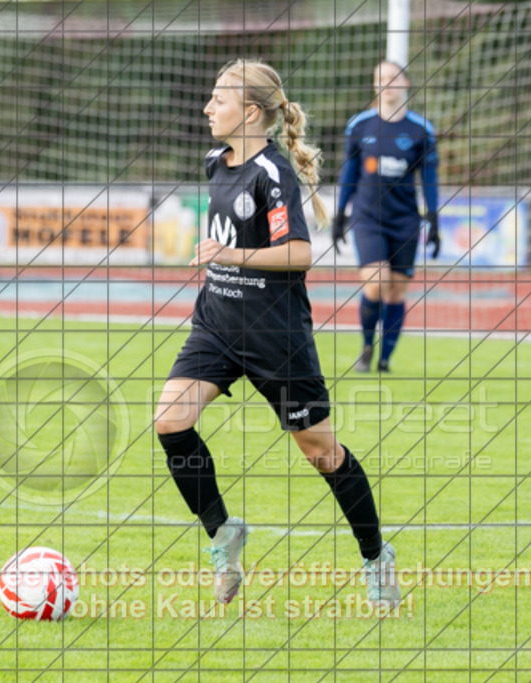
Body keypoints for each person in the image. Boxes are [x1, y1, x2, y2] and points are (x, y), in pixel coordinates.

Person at [153, 58, 400, 607]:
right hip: (216, 325)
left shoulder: (273, 174)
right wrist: (223, 264)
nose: (207, 107)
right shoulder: (217, 162)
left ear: (251, 111)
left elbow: (300, 254)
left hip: (275, 337)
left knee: (321, 452)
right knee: (171, 419)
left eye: (218, 98)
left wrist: (230, 254)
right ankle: (223, 535)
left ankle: (376, 556)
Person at [332, 61, 441, 373]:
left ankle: (384, 359)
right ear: (374, 85)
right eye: (381, 78)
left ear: (405, 82)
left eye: (393, 78)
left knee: (396, 291)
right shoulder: (360, 125)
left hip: (405, 219)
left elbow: (429, 179)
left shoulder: (422, 129)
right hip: (368, 218)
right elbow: (349, 173)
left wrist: (433, 219)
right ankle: (367, 346)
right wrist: (340, 213)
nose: (387, 84)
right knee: (375, 283)